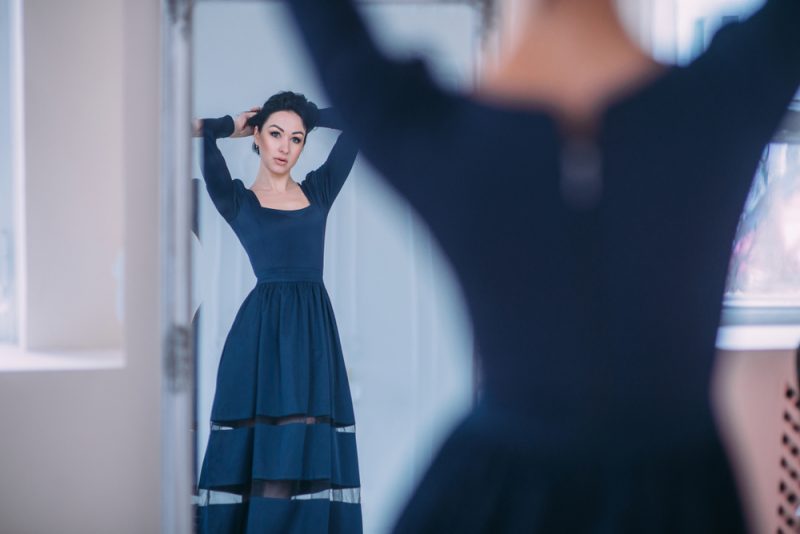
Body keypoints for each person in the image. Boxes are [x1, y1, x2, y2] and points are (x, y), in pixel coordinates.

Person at [283, 0, 800, 532]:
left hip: (493, 500)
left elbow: (335, 38)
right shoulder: (722, 106)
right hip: (685, 500)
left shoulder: (433, 136)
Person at [194, 91, 362, 533]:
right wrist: (231, 122)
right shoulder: (237, 201)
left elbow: (361, 117)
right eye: (275, 134)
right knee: (270, 460)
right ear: (258, 138)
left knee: (304, 458)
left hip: (312, 338)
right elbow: (200, 134)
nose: (285, 147)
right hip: (262, 338)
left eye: (296, 138)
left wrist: (311, 117)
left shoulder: (319, 191)